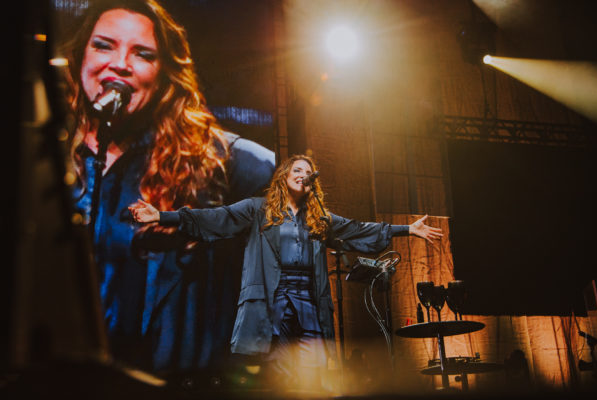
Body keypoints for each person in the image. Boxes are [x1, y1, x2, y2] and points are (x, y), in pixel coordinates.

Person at [62, 0, 275, 375]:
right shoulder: (46, 156)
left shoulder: (214, 159)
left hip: (168, 381)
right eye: (104, 46)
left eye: (142, 54)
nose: (121, 64)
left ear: (163, 75)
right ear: (81, 57)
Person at [129, 155, 443, 389]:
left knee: (312, 371)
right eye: (297, 170)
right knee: (276, 373)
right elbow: (216, 218)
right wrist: (163, 216)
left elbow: (358, 229)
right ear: (284, 177)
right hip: (272, 298)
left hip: (310, 300)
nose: (302, 175)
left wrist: (407, 229)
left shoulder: (320, 218)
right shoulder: (257, 209)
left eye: (308, 173)